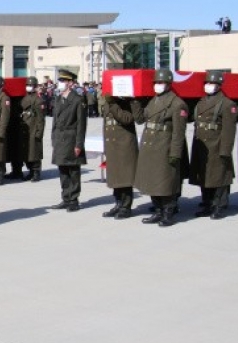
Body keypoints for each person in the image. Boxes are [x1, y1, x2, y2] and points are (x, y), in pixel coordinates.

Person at [134, 69, 189, 227]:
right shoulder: (153, 100)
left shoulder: (177, 104)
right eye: (156, 83)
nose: (157, 85)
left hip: (164, 147)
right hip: (150, 146)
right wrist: (135, 101)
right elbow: (140, 119)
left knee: (165, 182)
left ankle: (168, 213)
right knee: (152, 181)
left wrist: (175, 152)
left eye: (161, 82)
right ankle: (158, 211)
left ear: (169, 84)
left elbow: (179, 133)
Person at [189, 71, 236, 220]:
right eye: (207, 83)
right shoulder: (201, 101)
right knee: (204, 176)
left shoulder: (227, 104)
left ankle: (219, 206)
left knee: (218, 177)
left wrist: (225, 150)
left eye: (212, 83)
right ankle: (207, 203)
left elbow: (229, 130)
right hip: (201, 144)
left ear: (219, 85)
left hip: (216, 145)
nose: (209, 86)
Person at [49, 69, 87, 212]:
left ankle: (73, 199)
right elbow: (55, 121)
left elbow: (81, 125)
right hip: (60, 138)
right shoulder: (58, 99)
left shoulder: (77, 100)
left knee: (73, 170)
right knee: (63, 170)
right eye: (60, 81)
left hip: (71, 138)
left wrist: (79, 144)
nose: (61, 83)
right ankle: (65, 198)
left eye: (63, 81)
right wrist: (53, 137)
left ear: (71, 83)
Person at [100, 95, 143, 219]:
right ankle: (118, 203)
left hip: (124, 146)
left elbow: (126, 119)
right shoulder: (109, 102)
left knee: (125, 177)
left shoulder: (126, 102)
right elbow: (106, 125)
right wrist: (105, 146)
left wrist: (113, 104)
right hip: (112, 145)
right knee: (115, 177)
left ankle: (126, 207)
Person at [19, 76, 45, 182]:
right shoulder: (24, 98)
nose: (29, 87)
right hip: (25, 129)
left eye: (31, 85)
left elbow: (41, 119)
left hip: (34, 128)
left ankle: (36, 172)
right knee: (27, 153)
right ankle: (30, 171)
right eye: (28, 85)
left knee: (34, 153)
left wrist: (39, 132)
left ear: (35, 86)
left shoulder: (38, 101)